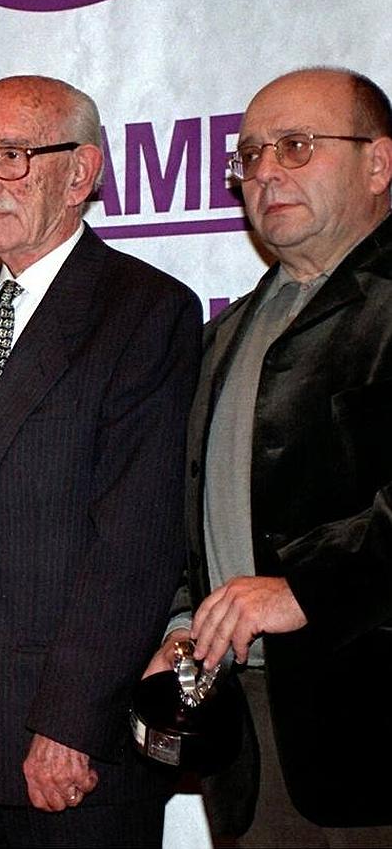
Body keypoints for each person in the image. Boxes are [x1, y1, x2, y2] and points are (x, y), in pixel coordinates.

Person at [0, 75, 202, 847]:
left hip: (61, 751)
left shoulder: (144, 310)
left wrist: (69, 724)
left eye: (11, 156)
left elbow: (137, 543)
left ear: (80, 173)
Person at [144, 67, 392, 846]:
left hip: (372, 728)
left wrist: (302, 588)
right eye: (249, 155)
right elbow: (203, 513)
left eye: (295, 146)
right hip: (247, 734)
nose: (265, 172)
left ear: (378, 164)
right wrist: (186, 622)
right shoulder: (228, 331)